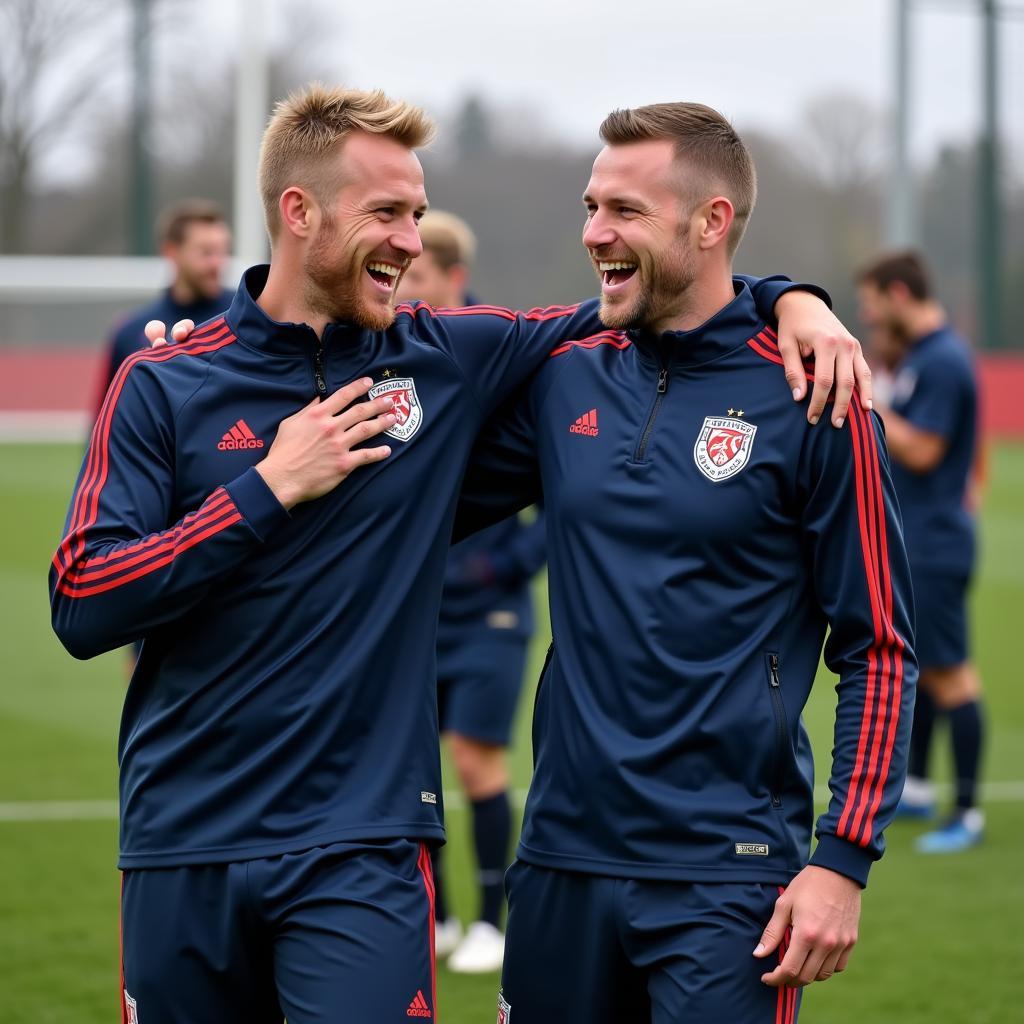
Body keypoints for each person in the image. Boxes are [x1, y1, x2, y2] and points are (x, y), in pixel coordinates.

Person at [57, 83, 869, 1023]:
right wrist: (264, 490)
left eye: (417, 214)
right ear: (298, 211)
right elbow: (82, 599)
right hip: (180, 839)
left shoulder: (449, 359)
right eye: (389, 215)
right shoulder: (163, 382)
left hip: (360, 842)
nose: (413, 243)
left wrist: (792, 300)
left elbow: (665, 297)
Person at [453, 102, 916, 1023]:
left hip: (726, 875)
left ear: (710, 223)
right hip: (558, 861)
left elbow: (879, 645)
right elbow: (397, 495)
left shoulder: (814, 397)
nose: (594, 233)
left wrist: (843, 859)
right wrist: (207, 376)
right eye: (590, 207)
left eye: (623, 210)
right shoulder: (566, 375)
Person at [395, 211, 547, 972]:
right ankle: (441, 916)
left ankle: (493, 919)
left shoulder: (500, 355)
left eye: (416, 279)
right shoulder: (394, 356)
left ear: (453, 278)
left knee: (478, 762)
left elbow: (563, 485)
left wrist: (505, 564)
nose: (402, 293)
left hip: (489, 612)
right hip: (416, 612)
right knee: (413, 764)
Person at [857, 250, 984, 854]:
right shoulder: (917, 357)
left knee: (951, 677)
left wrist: (870, 401)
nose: (870, 315)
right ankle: (920, 789)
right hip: (917, 537)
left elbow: (926, 450)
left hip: (935, 544)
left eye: (874, 302)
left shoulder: (943, 361)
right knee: (922, 667)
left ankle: (966, 813)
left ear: (899, 295)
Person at [97, 199, 233, 412]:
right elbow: (105, 424)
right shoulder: (131, 333)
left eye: (222, 251)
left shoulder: (247, 318)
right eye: (206, 252)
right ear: (171, 251)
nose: (217, 263)